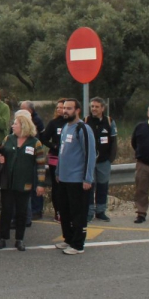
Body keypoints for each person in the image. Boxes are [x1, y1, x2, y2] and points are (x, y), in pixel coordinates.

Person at [0, 115, 46, 251]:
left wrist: (41, 184)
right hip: (7, 182)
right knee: (6, 211)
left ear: (23, 126)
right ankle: (2, 238)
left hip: (25, 183)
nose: (13, 126)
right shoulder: (8, 139)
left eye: (15, 124)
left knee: (22, 212)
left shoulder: (35, 143)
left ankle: (19, 239)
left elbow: (40, 165)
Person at [53, 98, 96, 254]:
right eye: (64, 108)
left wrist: (87, 178)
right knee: (64, 211)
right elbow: (61, 153)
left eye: (69, 108)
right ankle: (68, 239)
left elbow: (90, 155)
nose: (65, 111)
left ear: (77, 110)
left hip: (77, 179)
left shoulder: (83, 128)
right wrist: (58, 171)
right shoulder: (65, 127)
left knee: (78, 213)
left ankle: (78, 244)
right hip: (63, 178)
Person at [85, 97, 117, 222]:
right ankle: (89, 212)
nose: (94, 109)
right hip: (89, 162)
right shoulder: (86, 121)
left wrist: (110, 159)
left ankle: (101, 211)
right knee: (89, 187)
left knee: (103, 187)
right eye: (92, 106)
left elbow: (114, 142)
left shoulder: (109, 122)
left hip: (104, 162)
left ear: (102, 108)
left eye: (96, 106)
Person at [40, 98, 68, 221]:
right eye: (57, 108)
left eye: (62, 107)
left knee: (67, 186)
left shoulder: (72, 123)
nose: (59, 110)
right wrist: (54, 146)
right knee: (56, 187)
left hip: (69, 159)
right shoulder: (53, 123)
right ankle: (58, 212)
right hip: (55, 158)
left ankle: (68, 210)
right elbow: (44, 138)